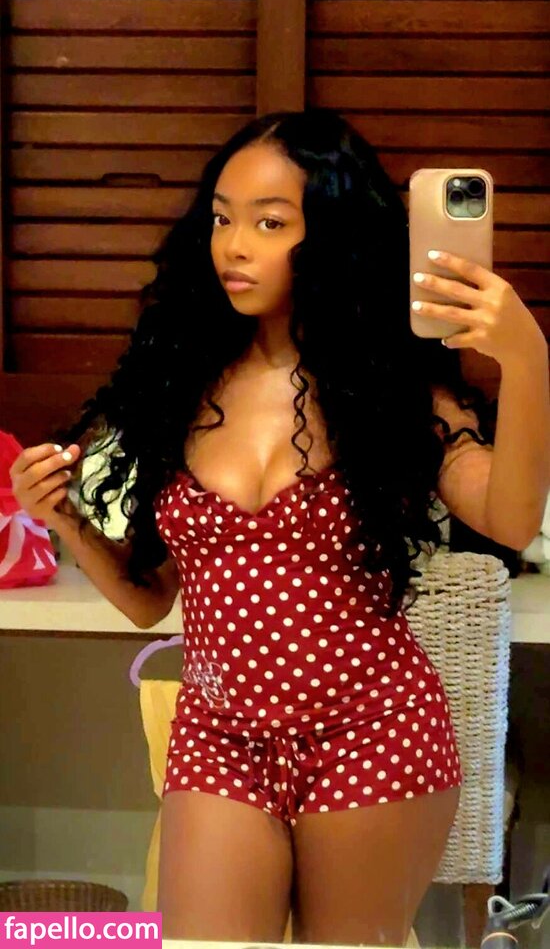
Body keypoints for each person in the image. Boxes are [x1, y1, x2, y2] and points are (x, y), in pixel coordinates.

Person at [10, 109, 549, 945]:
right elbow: (151, 601)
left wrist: (527, 359)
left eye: (269, 224)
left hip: (375, 733)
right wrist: (64, 520)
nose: (234, 246)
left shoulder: (390, 391)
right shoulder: (179, 384)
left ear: (330, 236)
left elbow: (510, 519)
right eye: (222, 218)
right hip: (219, 737)